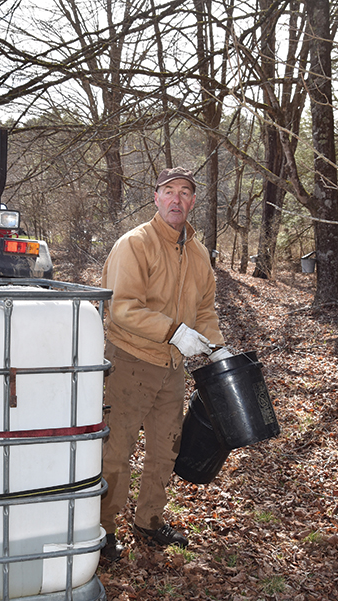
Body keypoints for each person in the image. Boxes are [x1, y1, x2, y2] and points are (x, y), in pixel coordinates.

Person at [99, 167, 227, 562]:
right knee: (115, 452)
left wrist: (217, 347)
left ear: (192, 201)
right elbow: (122, 308)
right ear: (156, 198)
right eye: (168, 191)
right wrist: (172, 331)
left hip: (172, 368)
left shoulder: (198, 251)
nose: (176, 200)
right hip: (129, 361)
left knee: (164, 449)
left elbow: (204, 308)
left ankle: (150, 520)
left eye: (184, 193)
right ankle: (101, 531)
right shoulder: (135, 244)